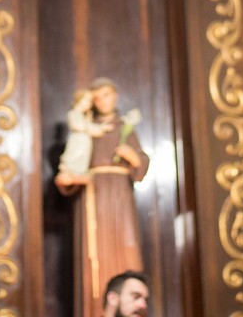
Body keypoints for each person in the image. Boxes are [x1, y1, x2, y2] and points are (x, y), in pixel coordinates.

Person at [56, 77, 149, 317]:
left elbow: (142, 165)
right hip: (93, 198)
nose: (103, 101)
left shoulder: (124, 127)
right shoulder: (85, 129)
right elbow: (71, 168)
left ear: (115, 97)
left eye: (107, 95)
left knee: (126, 247)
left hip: (120, 197)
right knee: (93, 257)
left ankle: (129, 305)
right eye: (97, 97)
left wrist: (132, 156)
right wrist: (74, 179)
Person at [57, 87, 108, 178]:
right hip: (78, 140)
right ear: (80, 100)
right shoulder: (73, 113)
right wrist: (89, 126)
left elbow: (90, 128)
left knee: (83, 156)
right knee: (75, 154)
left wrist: (101, 128)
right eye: (88, 101)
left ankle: (79, 171)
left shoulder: (84, 117)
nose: (90, 104)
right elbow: (79, 126)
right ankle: (69, 169)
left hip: (84, 141)